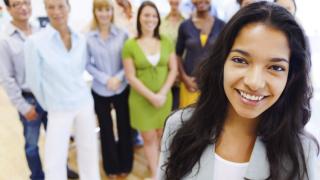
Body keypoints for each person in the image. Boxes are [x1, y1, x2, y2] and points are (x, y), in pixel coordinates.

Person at [158, 2, 319, 180]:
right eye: (240, 60)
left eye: (275, 67)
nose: (254, 82)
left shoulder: (302, 152)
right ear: (221, 62)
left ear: (291, 77)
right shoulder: (178, 128)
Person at [0, 0, 78, 179]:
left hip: (50, 96)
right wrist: (23, 107)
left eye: (26, 2)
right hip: (29, 100)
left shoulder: (41, 30)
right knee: (32, 145)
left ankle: (62, 169)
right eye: (16, 4)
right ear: (8, 9)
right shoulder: (5, 40)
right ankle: (37, 175)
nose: (23, 7)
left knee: (57, 139)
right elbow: (6, 79)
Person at [24, 0, 100, 179]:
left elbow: (80, 70)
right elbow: (34, 82)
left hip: (83, 103)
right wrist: (50, 103)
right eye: (51, 7)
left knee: (89, 151)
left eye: (60, 6)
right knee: (54, 161)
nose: (56, 11)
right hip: (58, 108)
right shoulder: (35, 43)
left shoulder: (80, 39)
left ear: (68, 8)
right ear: (45, 10)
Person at [122, 1, 177, 179]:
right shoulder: (130, 45)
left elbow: (173, 69)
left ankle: (164, 168)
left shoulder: (166, 41)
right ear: (139, 18)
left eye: (154, 15)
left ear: (158, 19)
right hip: (141, 100)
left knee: (163, 135)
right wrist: (151, 97)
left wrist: (161, 94)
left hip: (164, 98)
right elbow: (130, 76)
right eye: (146, 15)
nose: (150, 19)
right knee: (148, 138)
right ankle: (155, 173)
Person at [86, 0, 132, 179]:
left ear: (112, 12)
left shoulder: (122, 34)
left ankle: (125, 165)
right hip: (100, 89)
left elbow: (128, 61)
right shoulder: (89, 37)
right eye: (100, 10)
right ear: (95, 12)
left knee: (124, 127)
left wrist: (118, 78)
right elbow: (87, 65)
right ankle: (111, 168)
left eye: (107, 9)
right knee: (105, 129)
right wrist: (106, 79)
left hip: (121, 88)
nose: (104, 13)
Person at [176, 0, 224, 108]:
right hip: (189, 84)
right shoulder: (184, 26)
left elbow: (224, 55)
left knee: (210, 119)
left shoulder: (222, 25)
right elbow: (177, 55)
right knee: (187, 119)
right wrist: (184, 78)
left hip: (212, 85)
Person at [160, 0, 184, 110]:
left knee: (178, 108)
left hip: (182, 72)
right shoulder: (161, 20)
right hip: (164, 72)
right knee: (164, 107)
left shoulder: (187, 21)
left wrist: (179, 71)